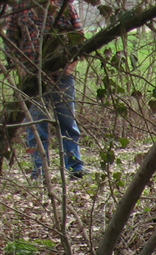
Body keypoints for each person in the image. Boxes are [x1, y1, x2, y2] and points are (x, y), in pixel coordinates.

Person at [4, 0, 86, 180]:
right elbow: (10, 43)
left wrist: (70, 68)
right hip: (31, 78)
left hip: (61, 76)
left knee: (67, 123)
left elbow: (80, 39)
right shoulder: (20, 7)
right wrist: (21, 69)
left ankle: (75, 167)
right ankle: (40, 171)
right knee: (36, 127)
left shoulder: (64, 6)